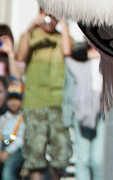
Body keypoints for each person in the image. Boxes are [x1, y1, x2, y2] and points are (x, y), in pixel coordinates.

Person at [17, 9, 72, 180]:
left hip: (58, 103)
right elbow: (20, 56)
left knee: (61, 155)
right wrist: (30, 27)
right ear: (40, 12)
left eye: (54, 15)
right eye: (48, 14)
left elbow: (68, 51)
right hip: (35, 103)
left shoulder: (62, 38)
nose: (50, 19)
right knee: (35, 155)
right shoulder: (31, 35)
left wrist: (63, 23)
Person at [64, 43, 103, 180]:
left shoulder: (111, 53)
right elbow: (67, 53)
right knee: (83, 160)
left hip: (103, 112)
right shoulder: (79, 54)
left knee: (99, 161)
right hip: (82, 112)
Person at [0, 80, 25, 180]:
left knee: (8, 171)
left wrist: (7, 152)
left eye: (17, 99)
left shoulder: (23, 119)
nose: (13, 102)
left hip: (16, 150)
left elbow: (20, 139)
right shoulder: (3, 118)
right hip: (2, 147)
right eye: (11, 99)